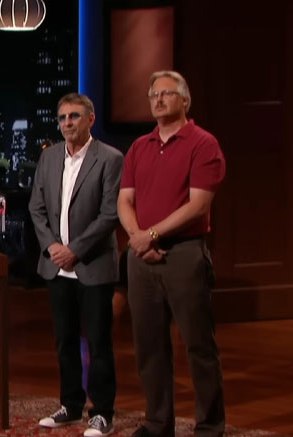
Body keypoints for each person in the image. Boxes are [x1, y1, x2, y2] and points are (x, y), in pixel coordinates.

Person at [117, 71, 226, 437]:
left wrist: (150, 235)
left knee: (199, 346)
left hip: (184, 254)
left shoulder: (203, 143)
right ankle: (157, 422)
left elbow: (198, 206)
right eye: (153, 95)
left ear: (185, 100)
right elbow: (124, 200)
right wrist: (137, 238)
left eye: (166, 94)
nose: (158, 100)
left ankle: (209, 426)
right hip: (141, 257)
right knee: (149, 346)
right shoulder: (139, 146)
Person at [29, 93, 123, 437]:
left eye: (74, 116)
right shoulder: (49, 157)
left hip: (93, 265)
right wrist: (52, 246)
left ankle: (102, 413)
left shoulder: (110, 158)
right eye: (63, 118)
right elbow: (36, 207)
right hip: (56, 267)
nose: (67, 123)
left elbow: (110, 214)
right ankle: (70, 405)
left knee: (99, 343)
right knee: (64, 341)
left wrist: (75, 251)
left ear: (90, 119)